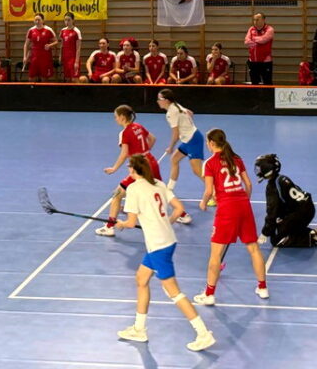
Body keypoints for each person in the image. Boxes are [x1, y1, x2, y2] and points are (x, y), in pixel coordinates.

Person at [114, 155, 216, 352]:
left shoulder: (133, 189)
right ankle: (139, 329)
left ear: (134, 170)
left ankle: (203, 333)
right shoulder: (159, 184)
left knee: (173, 292)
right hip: (167, 240)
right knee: (141, 279)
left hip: (158, 245)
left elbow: (131, 222)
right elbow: (179, 208)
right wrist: (165, 223)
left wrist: (121, 224)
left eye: (129, 167)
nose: (128, 170)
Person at [194, 129, 269, 305]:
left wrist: (203, 203)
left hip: (227, 209)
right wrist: (244, 201)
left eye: (207, 142)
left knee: (215, 255)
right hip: (244, 205)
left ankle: (209, 294)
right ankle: (263, 288)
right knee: (254, 249)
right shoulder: (236, 159)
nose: (207, 144)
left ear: (212, 143)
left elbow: (208, 190)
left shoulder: (210, 163)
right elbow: (248, 184)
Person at [96, 105, 161, 237]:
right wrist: (143, 153)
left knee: (117, 195)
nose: (115, 119)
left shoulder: (124, 133)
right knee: (160, 191)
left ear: (122, 117)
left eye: (116, 117)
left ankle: (109, 226)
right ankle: (182, 214)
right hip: (152, 162)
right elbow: (152, 139)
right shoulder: (138, 126)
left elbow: (124, 153)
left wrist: (114, 168)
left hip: (140, 168)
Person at [254, 153, 317, 248]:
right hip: (307, 207)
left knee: (276, 240)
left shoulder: (272, 187)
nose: (258, 171)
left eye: (260, 168)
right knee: (280, 227)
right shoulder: (282, 178)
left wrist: (265, 232)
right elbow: (293, 196)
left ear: (268, 169)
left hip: (301, 214)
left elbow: (271, 212)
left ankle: (312, 237)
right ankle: (303, 231)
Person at [157, 88, 200, 219]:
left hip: (193, 140)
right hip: (188, 139)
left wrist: (170, 147)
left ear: (167, 101)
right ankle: (169, 189)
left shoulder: (171, 113)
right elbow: (190, 112)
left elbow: (175, 133)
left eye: (160, 99)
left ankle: (215, 194)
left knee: (197, 171)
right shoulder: (176, 105)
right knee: (174, 160)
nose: (158, 101)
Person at [23, 13, 58, 82]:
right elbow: (26, 44)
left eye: (39, 20)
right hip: (34, 57)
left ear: (43, 20)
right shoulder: (31, 30)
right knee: (31, 78)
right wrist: (24, 56)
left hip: (45, 57)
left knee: (44, 79)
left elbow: (56, 41)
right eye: (35, 20)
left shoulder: (48, 30)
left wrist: (50, 45)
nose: (37, 21)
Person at [244, 12, 274, 85]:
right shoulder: (251, 29)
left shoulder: (269, 29)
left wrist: (253, 39)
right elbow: (247, 41)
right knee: (254, 83)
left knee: (267, 83)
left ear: (263, 20)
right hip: (253, 61)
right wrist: (256, 40)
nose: (255, 21)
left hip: (265, 62)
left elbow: (263, 40)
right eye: (254, 20)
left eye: (257, 19)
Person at [59, 12, 82, 82]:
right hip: (65, 58)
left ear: (73, 20)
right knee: (67, 79)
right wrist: (60, 56)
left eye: (69, 20)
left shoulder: (76, 31)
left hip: (73, 58)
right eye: (65, 20)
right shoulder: (63, 31)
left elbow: (78, 48)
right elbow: (61, 45)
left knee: (75, 79)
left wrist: (76, 62)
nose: (67, 22)